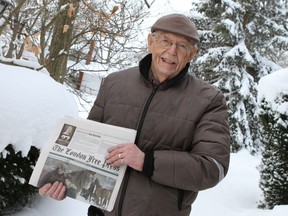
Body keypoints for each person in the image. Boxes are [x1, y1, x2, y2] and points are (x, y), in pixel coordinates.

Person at [39, 13, 230, 216]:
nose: (172, 51)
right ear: (150, 42)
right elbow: (87, 146)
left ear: (191, 55)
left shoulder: (209, 100)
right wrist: (62, 183)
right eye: (165, 41)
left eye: (182, 46)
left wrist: (146, 161)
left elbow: (212, 167)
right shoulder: (114, 83)